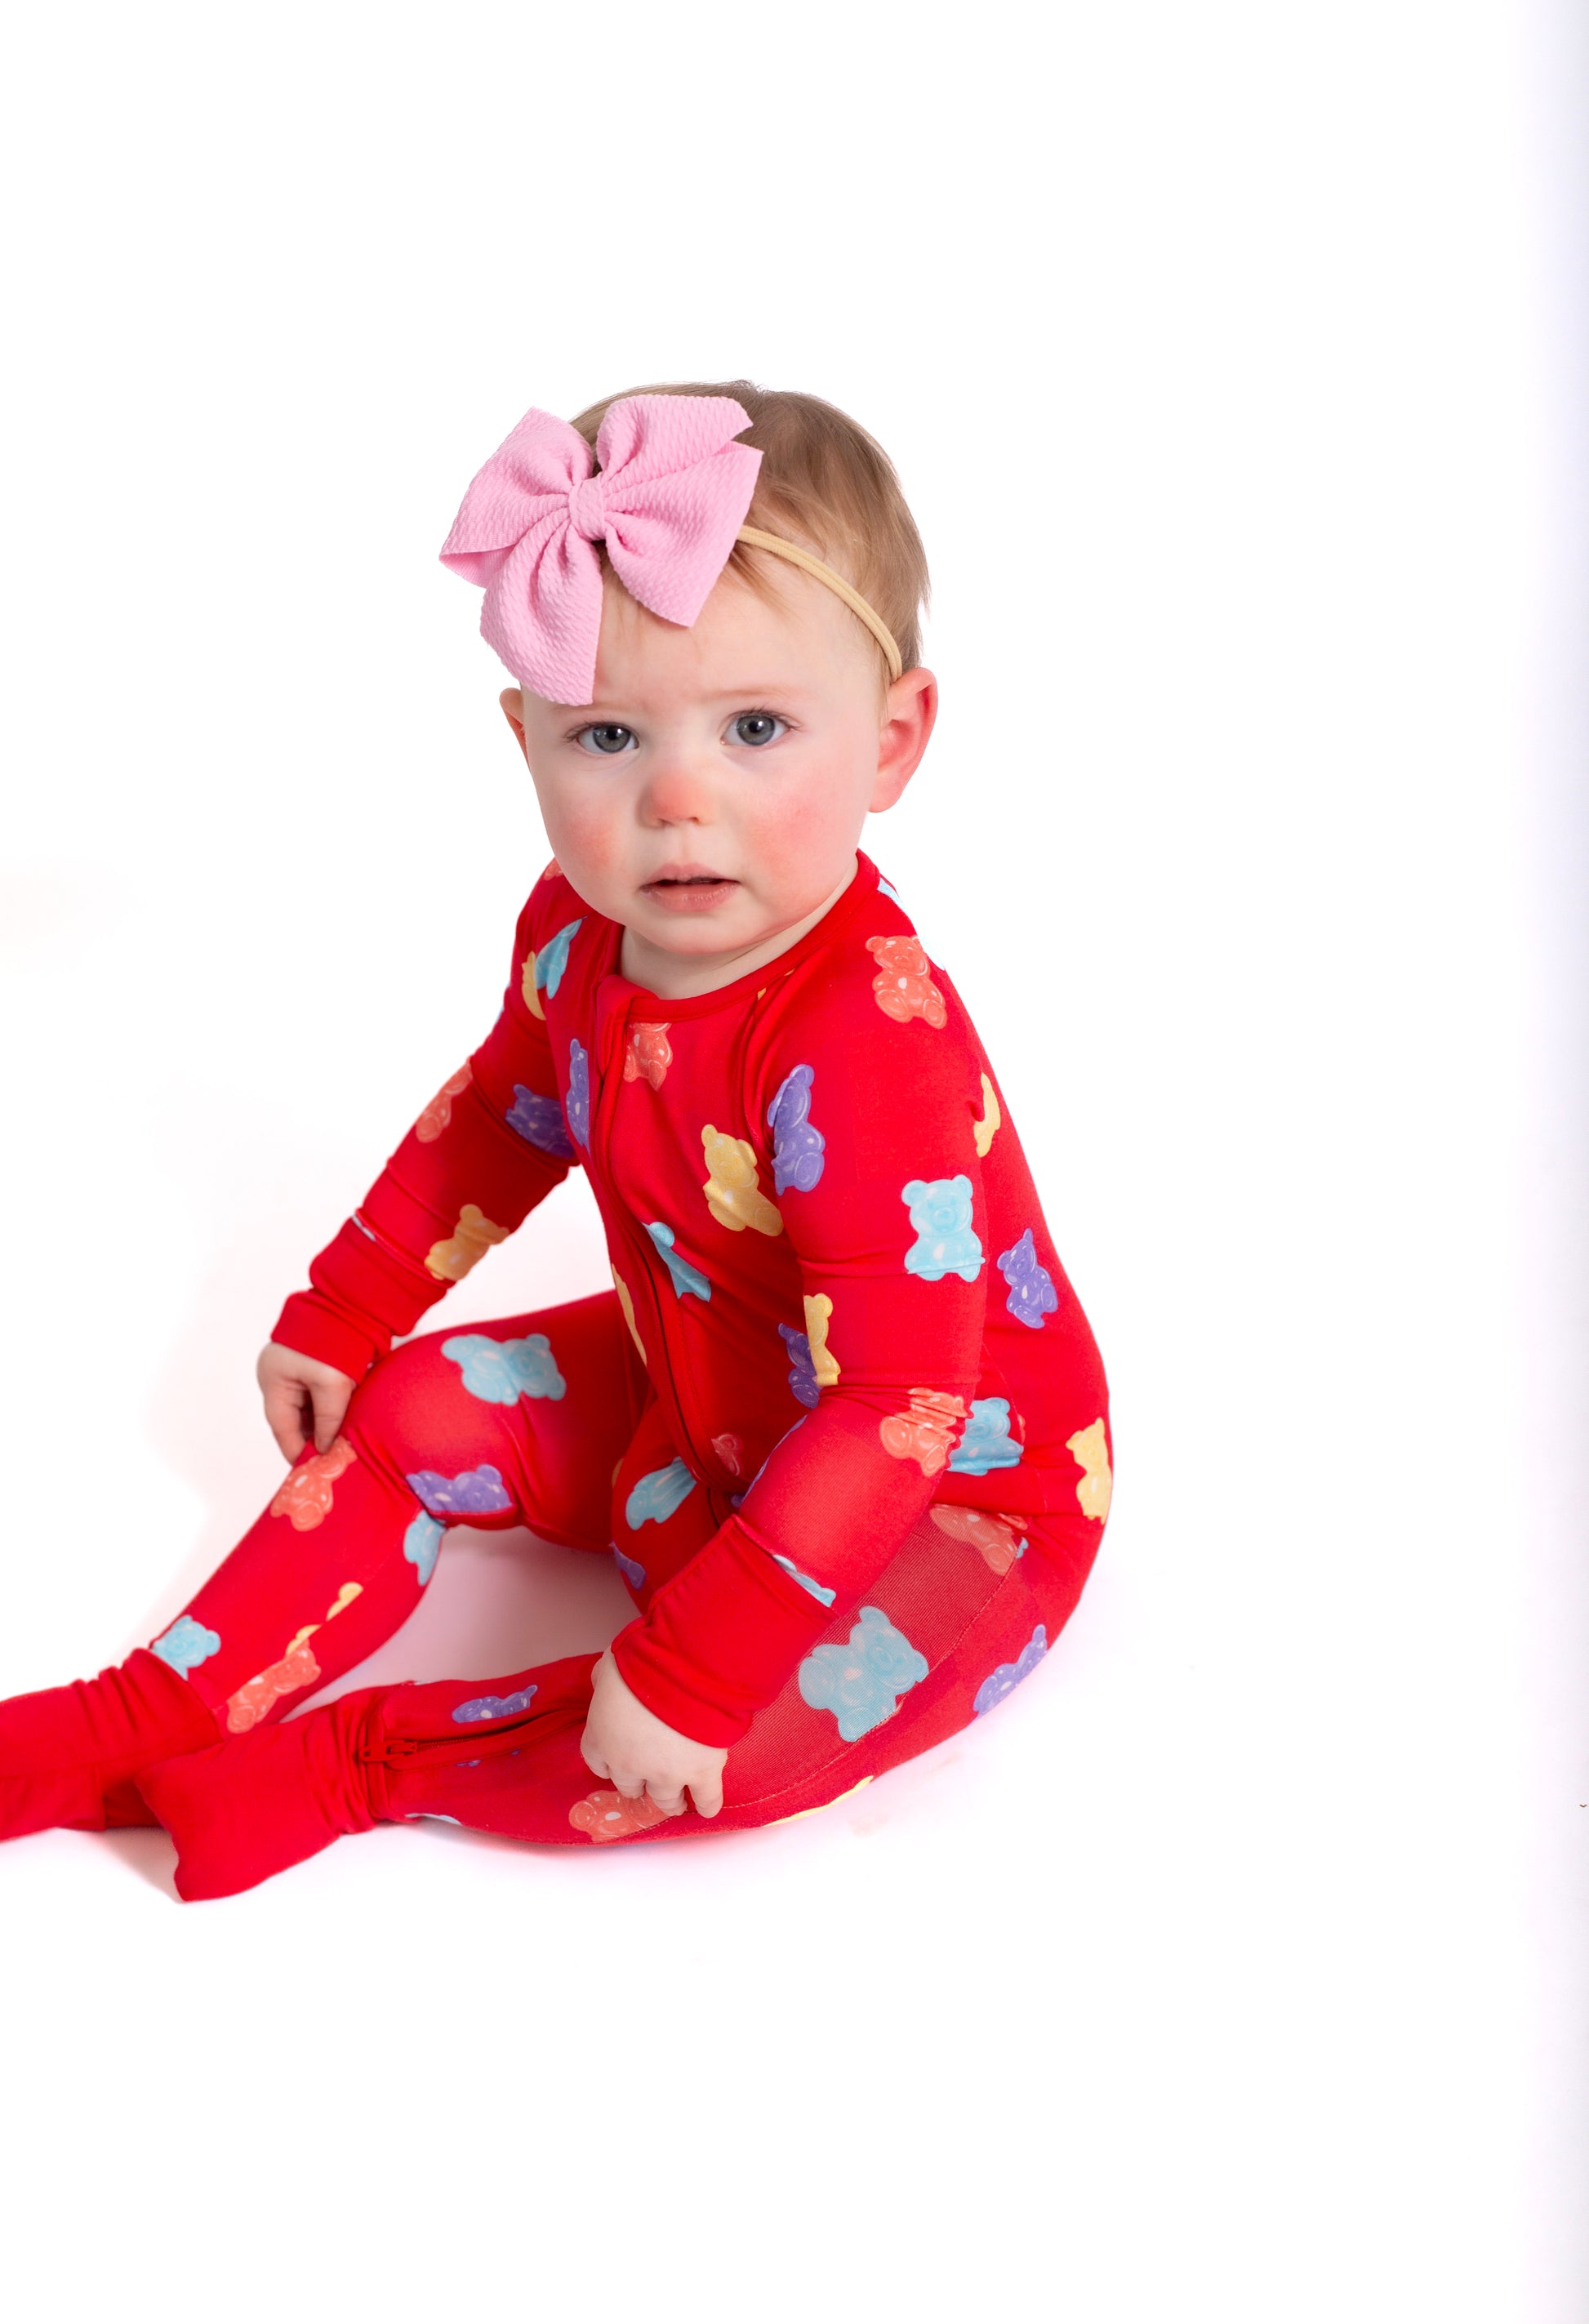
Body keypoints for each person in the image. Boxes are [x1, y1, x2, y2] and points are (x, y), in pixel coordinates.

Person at [0, 383, 1113, 1899]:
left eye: (758, 728)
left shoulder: (865, 1040)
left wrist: (697, 1665)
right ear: (522, 737)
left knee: (730, 1749)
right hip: (697, 1391)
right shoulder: (577, 935)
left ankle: (360, 1762)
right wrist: (352, 1304)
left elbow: (897, 1405)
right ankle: (150, 1715)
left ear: (894, 741)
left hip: (938, 1497)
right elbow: (501, 1118)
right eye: (606, 733)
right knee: (403, 1414)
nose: (675, 799)